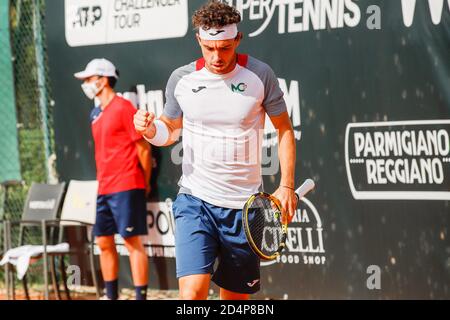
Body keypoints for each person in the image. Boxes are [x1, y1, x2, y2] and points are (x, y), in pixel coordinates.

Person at [134, 0, 297, 300]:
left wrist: (286, 185)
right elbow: (168, 130)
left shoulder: (260, 75)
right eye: (209, 47)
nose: (217, 56)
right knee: (192, 293)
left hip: (245, 209)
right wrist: (149, 130)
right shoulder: (181, 80)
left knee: (234, 300)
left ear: (237, 39)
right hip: (196, 201)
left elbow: (285, 130)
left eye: (224, 47)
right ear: (199, 39)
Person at [74, 58, 151, 300]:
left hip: (128, 184)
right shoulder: (95, 112)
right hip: (104, 187)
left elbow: (144, 148)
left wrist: (144, 182)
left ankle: (140, 297)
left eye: (89, 79)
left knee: (131, 242)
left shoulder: (123, 107)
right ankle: (111, 296)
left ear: (103, 79)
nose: (86, 84)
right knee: (104, 242)